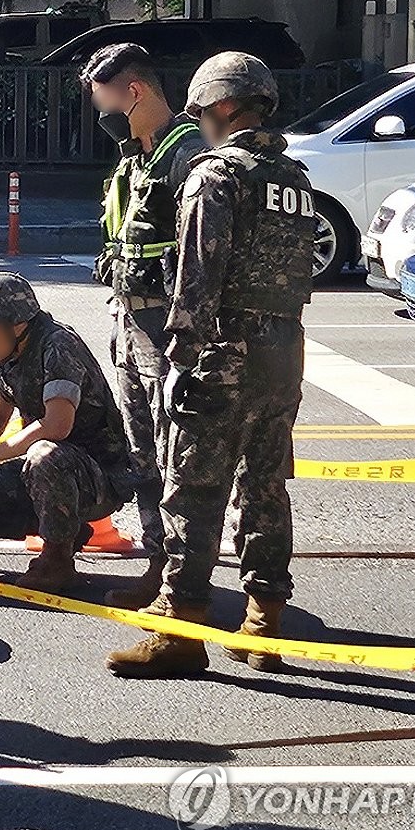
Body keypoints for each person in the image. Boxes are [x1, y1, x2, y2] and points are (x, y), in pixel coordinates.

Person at [107, 52, 317, 679]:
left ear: (223, 107)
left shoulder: (214, 178)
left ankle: (181, 627)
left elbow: (196, 280)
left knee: (192, 490)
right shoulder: (296, 181)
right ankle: (262, 621)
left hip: (222, 353)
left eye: (203, 113)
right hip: (284, 351)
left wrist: (178, 358)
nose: (200, 124)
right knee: (265, 486)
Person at [81, 43, 206, 611]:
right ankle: (158, 563)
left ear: (134, 92)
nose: (101, 116)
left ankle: (177, 575)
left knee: (173, 447)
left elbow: (204, 254)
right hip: (130, 321)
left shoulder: (189, 157)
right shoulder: (133, 161)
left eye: (104, 101)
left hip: (169, 328)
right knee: (141, 449)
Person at [0, 273, 138, 592]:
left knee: (44, 455)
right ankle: (66, 530)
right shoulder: (9, 356)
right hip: (51, 474)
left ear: (17, 324)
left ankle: (57, 560)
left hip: (98, 475)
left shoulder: (57, 345)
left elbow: (58, 425)